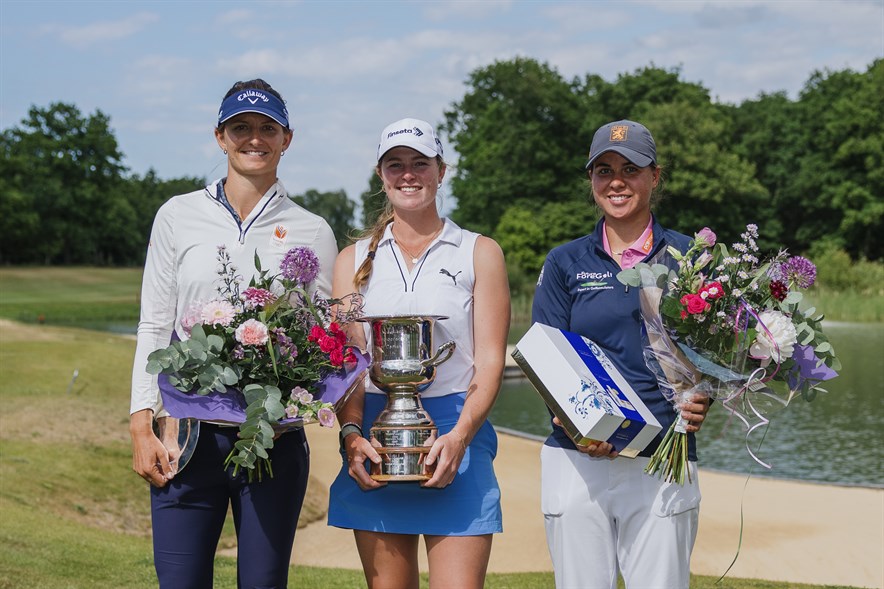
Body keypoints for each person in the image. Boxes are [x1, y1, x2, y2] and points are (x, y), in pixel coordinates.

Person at [128, 79, 338, 588]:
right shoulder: (177, 215)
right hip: (185, 439)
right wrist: (140, 424)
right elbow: (155, 322)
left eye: (268, 128)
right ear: (220, 137)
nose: (254, 138)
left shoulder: (312, 229)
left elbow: (323, 336)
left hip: (273, 441)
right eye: (240, 127)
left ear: (287, 139)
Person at [327, 117, 510, 588]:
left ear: (441, 170)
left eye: (419, 163)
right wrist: (350, 435)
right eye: (396, 165)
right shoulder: (352, 259)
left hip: (456, 430)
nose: (408, 174)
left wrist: (461, 436)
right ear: (380, 174)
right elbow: (350, 365)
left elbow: (490, 362)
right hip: (374, 433)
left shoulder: (479, 252)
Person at [531, 120, 711, 589]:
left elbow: (715, 357)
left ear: (655, 176)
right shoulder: (564, 262)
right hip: (579, 459)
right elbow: (547, 360)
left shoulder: (691, 259)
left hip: (663, 459)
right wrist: (577, 423)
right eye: (603, 170)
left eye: (631, 169)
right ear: (590, 180)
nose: (617, 181)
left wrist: (704, 395)